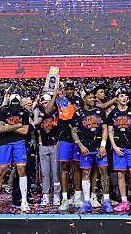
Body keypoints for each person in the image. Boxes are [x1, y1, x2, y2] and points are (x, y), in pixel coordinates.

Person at [71, 88, 113, 213]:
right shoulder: (78, 114)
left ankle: (106, 201)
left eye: (94, 97)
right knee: (86, 174)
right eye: (90, 97)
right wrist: (81, 146)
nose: (93, 99)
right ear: (84, 99)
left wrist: (103, 145)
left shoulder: (100, 112)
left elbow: (105, 129)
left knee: (104, 173)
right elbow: (73, 132)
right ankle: (87, 201)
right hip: (86, 149)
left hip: (99, 147)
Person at [45, 81, 83, 210]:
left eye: (72, 88)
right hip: (64, 137)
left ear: (75, 89)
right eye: (68, 88)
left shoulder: (80, 101)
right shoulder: (60, 101)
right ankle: (65, 198)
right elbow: (48, 111)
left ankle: (78, 197)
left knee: (77, 166)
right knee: (64, 167)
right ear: (64, 90)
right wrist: (55, 95)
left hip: (78, 138)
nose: (70, 91)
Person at [0, 94, 30, 213]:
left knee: (22, 169)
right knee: (1, 170)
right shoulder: (3, 111)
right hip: (4, 142)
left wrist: (9, 127)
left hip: (19, 142)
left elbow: (25, 131)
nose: (15, 104)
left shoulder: (24, 112)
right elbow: (1, 129)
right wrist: (18, 125)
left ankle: (24, 201)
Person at [107, 89, 131, 213]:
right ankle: (124, 202)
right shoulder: (112, 114)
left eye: (126, 96)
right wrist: (114, 146)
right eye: (121, 96)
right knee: (120, 174)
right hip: (119, 148)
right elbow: (110, 132)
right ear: (117, 98)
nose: (124, 98)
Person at [35, 93, 61, 206]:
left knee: (55, 172)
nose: (46, 105)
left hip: (54, 145)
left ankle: (56, 195)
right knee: (45, 172)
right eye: (44, 102)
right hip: (43, 145)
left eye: (48, 102)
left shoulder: (56, 113)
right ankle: (45, 194)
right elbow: (36, 128)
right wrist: (40, 143)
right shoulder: (39, 114)